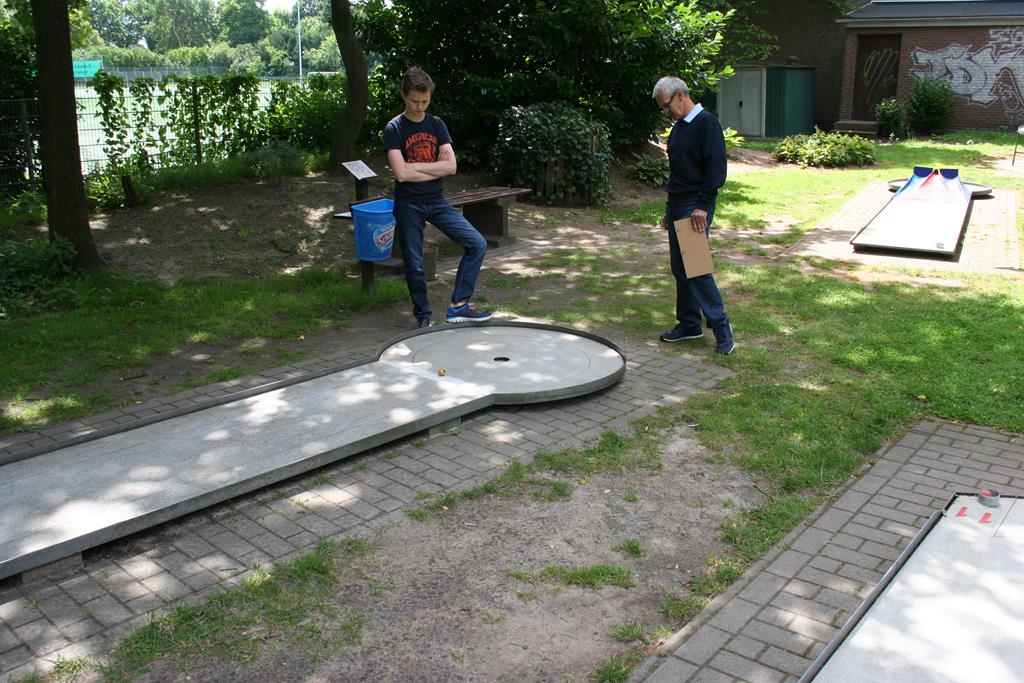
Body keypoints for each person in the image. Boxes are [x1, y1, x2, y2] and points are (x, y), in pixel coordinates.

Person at [384, 66, 491, 329]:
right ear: (404, 95)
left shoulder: (437, 124)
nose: (420, 107)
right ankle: (423, 317)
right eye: (415, 101)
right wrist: (434, 167)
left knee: (477, 243)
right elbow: (401, 174)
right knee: (415, 264)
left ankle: (459, 306)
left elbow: (451, 167)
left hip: (437, 201)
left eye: (425, 101)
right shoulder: (394, 128)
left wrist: (415, 168)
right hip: (408, 204)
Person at [651, 76, 735, 355]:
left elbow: (716, 169)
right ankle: (689, 324)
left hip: (695, 204)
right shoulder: (679, 128)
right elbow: (678, 173)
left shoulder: (706, 123)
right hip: (678, 202)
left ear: (680, 95)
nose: (666, 112)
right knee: (680, 268)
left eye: (666, 106)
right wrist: (669, 209)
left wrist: (703, 205)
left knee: (696, 267)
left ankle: (721, 326)